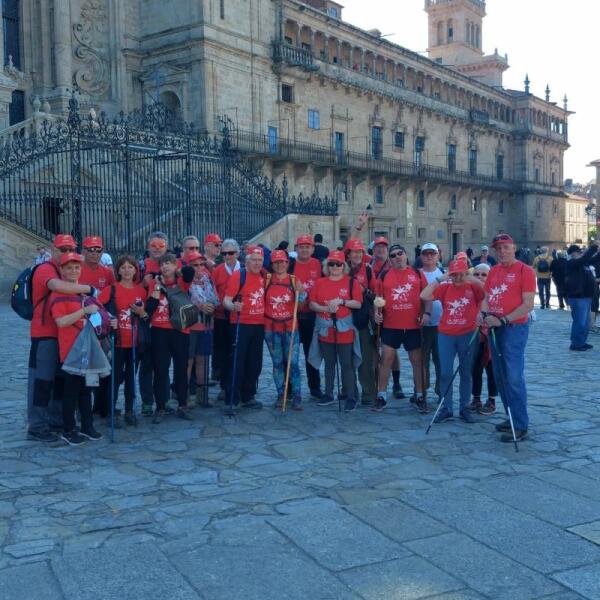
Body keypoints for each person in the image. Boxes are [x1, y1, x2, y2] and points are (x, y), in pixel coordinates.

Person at [27, 234, 96, 442]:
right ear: (53, 249)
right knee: (42, 381)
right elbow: (57, 287)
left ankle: (57, 421)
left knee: (60, 380)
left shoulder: (67, 268)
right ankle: (37, 426)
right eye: (62, 249)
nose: (66, 253)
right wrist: (89, 289)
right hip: (45, 333)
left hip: (65, 337)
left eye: (69, 249)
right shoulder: (45, 269)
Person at [480, 233, 536, 443]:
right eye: (498, 248)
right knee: (500, 375)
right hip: (494, 328)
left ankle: (520, 425)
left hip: (513, 328)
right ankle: (511, 417)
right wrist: (483, 313)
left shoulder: (525, 271)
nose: (502, 251)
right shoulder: (493, 270)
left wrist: (503, 320)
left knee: (513, 376)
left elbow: (528, 304)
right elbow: (487, 298)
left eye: (506, 247)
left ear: (514, 248)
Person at [421, 259, 485, 424]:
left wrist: (471, 278)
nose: (457, 278)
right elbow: (424, 295)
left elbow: (488, 293)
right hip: (446, 334)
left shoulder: (472, 287)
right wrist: (440, 279)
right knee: (445, 373)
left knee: (465, 372)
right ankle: (446, 408)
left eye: (460, 274)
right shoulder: (445, 287)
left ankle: (464, 407)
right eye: (454, 274)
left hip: (467, 334)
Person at [49, 252, 103, 445]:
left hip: (87, 349)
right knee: (71, 392)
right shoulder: (58, 295)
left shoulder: (82, 293)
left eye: (76, 267)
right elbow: (61, 322)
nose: (74, 270)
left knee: (86, 390)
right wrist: (84, 311)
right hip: (71, 351)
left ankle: (87, 425)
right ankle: (69, 429)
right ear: (62, 271)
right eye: (69, 267)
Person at [373, 244, 431, 414]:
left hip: (414, 325)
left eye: (400, 253)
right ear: (389, 260)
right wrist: (376, 314)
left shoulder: (418, 274)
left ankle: (420, 396)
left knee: (417, 362)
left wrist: (427, 313)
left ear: (406, 255)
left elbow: (427, 296)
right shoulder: (384, 275)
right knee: (386, 361)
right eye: (393, 255)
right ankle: (381, 396)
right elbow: (378, 299)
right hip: (391, 325)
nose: (397, 257)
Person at [308, 250, 363, 412]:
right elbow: (312, 304)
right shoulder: (319, 283)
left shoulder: (351, 282)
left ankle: (351, 396)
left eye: (338, 264)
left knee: (347, 364)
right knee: (329, 363)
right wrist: (327, 307)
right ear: (327, 266)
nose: (335, 267)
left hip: (345, 330)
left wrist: (342, 302)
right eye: (331, 264)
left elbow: (358, 303)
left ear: (343, 266)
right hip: (326, 328)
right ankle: (329, 393)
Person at [145, 253, 195, 423]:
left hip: (180, 330)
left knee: (181, 368)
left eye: (169, 263)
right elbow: (150, 308)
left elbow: (189, 272)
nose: (165, 267)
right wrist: (158, 287)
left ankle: (182, 405)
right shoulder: (154, 283)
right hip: (159, 330)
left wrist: (178, 270)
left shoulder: (181, 281)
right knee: (160, 370)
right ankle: (160, 406)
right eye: (162, 264)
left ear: (175, 265)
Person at [98, 255, 147, 427]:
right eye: (123, 267)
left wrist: (142, 313)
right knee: (115, 378)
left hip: (134, 342)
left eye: (130, 267)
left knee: (131, 378)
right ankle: (111, 410)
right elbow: (96, 306)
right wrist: (109, 320)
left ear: (136, 270)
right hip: (117, 341)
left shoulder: (141, 290)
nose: (127, 270)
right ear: (118, 270)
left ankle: (129, 410)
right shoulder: (112, 289)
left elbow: (147, 316)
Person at [223, 246, 266, 412]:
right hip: (241, 324)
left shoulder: (264, 275)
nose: (257, 263)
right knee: (237, 362)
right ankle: (232, 398)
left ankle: (248, 396)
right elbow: (226, 300)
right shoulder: (238, 275)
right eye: (254, 260)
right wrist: (233, 306)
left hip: (258, 325)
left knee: (255, 363)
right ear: (247, 261)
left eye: (260, 260)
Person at [79, 235, 116, 418]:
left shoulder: (107, 273)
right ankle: (82, 406)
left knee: (104, 365)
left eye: (98, 250)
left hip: (101, 325)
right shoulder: (78, 270)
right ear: (83, 251)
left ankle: (102, 405)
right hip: (81, 323)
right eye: (91, 250)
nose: (94, 253)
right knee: (84, 366)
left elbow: (112, 297)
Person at [264, 250, 305, 410]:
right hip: (271, 329)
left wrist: (301, 295)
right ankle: (282, 394)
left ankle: (297, 394)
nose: (280, 265)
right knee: (277, 363)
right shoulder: (267, 280)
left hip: (290, 328)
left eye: (283, 262)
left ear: (288, 263)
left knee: (293, 362)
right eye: (276, 262)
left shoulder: (294, 281)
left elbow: (300, 306)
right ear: (272, 264)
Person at [289, 234, 324, 400]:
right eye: (301, 246)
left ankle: (315, 387)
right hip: (293, 316)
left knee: (312, 353)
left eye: (307, 246)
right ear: (296, 248)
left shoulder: (318, 264)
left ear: (312, 249)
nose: (304, 249)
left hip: (312, 316)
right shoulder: (290, 265)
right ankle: (289, 389)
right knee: (290, 355)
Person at [345, 238, 377, 406]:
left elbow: (375, 295)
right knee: (347, 357)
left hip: (363, 318)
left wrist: (364, 290)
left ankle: (368, 391)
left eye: (359, 252)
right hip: (344, 318)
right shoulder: (340, 268)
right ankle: (349, 390)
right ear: (348, 254)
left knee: (366, 357)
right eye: (353, 252)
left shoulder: (368, 270)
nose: (356, 255)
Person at [187, 251, 218, 407]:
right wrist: (200, 306)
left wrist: (209, 306)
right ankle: (184, 396)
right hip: (190, 326)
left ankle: (202, 395)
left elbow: (215, 300)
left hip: (206, 324)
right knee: (188, 361)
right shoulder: (185, 281)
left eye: (201, 264)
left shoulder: (207, 280)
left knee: (203, 360)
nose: (199, 268)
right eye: (195, 265)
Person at [211, 238, 241, 399]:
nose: (227, 256)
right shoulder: (217, 271)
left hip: (239, 317)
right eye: (224, 253)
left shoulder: (243, 269)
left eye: (230, 253)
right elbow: (212, 291)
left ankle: (238, 384)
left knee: (237, 351)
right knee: (223, 352)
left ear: (237, 253)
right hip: (222, 317)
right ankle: (224, 386)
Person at [467, 263, 498, 416]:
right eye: (476, 274)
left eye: (483, 275)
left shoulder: (495, 291)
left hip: (492, 334)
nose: (479, 277)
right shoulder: (470, 291)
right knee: (475, 369)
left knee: (492, 369)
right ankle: (476, 398)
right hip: (475, 335)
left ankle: (492, 400)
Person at [414, 242, 443, 404]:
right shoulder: (416, 275)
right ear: (421, 256)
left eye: (432, 253)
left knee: (441, 360)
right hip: (422, 324)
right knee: (421, 361)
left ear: (438, 255)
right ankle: (421, 391)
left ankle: (441, 391)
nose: (429, 256)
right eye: (426, 254)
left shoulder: (444, 273)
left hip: (441, 325)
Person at [565, 243, 600, 351]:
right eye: (578, 252)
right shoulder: (572, 263)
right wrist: (593, 247)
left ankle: (582, 342)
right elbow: (585, 258)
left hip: (587, 297)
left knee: (586, 323)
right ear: (573, 254)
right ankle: (575, 344)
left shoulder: (583, 263)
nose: (581, 253)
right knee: (579, 322)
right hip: (578, 297)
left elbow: (593, 259)